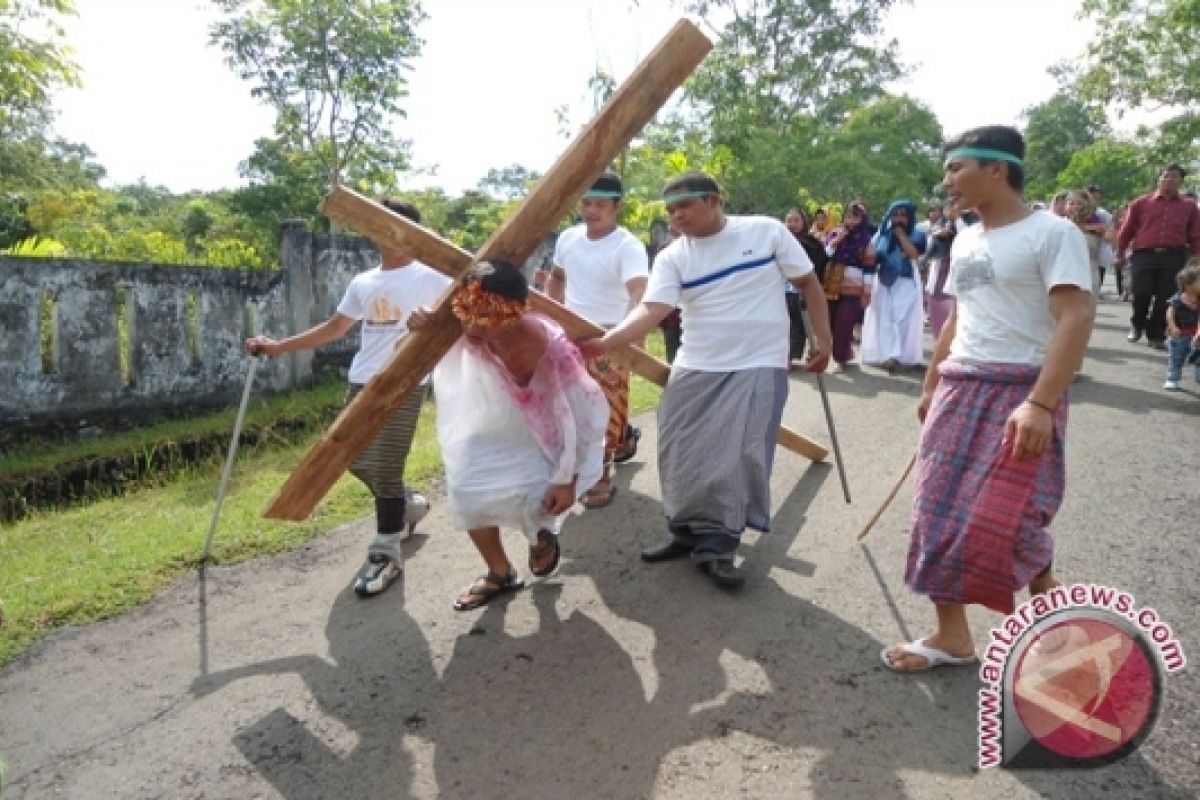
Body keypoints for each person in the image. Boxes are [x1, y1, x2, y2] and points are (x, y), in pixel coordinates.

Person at [883, 126, 1094, 673]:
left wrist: (1042, 404)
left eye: (956, 168)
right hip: (959, 388)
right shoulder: (968, 238)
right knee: (936, 513)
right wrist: (932, 383)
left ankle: (1053, 636)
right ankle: (953, 638)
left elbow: (1075, 316)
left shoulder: (1053, 234)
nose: (946, 180)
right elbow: (957, 317)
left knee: (1014, 522)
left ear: (997, 170)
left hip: (1021, 393)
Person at [579, 172, 832, 589]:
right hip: (696, 362)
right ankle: (685, 531)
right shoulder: (673, 257)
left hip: (759, 360)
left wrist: (823, 341)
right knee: (678, 448)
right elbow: (652, 310)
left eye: (685, 207)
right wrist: (607, 342)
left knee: (738, 454)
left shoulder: (765, 232)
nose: (677, 217)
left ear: (714, 200)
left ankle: (719, 544)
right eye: (671, 211)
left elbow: (808, 284)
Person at [244, 197, 452, 597]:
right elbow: (335, 327)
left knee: (386, 465)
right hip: (362, 380)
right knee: (350, 459)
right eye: (380, 227)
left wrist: (433, 321)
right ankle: (409, 505)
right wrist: (278, 347)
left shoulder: (432, 277)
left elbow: (459, 317)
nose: (387, 237)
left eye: (396, 228)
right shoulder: (364, 282)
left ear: (414, 234)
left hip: (405, 380)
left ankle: (386, 551)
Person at [410, 261, 609, 610]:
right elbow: (407, 361)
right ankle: (499, 572)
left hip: (547, 431)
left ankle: (540, 535)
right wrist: (419, 330)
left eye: (486, 316)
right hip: (489, 422)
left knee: (539, 496)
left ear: (516, 311)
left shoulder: (551, 346)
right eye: (467, 312)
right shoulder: (461, 329)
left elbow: (584, 417)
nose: (472, 324)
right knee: (467, 491)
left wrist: (568, 477)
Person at [547, 172, 650, 508]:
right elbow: (557, 278)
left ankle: (601, 474)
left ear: (617, 206)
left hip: (611, 337)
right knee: (572, 406)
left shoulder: (627, 246)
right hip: (571, 335)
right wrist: (551, 315)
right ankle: (620, 440)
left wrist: (631, 335)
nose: (591, 210)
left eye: (600, 205)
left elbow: (639, 292)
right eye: (586, 203)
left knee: (603, 408)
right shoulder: (568, 239)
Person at [1116, 164, 1200, 349]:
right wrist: (1120, 253)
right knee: (1141, 292)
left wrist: (1196, 256)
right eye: (1165, 176)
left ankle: (1156, 334)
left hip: (1174, 256)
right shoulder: (1140, 203)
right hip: (1144, 254)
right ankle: (1137, 324)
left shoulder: (1189, 206)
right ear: (1159, 179)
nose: (1169, 180)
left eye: (1174, 177)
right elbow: (1126, 230)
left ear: (1181, 181)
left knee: (1165, 298)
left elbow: (1195, 233)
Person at [860, 200, 927, 372]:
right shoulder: (881, 235)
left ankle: (896, 356)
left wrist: (901, 236)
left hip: (905, 279)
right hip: (883, 280)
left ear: (909, 217)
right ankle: (885, 355)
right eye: (895, 214)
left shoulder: (917, 234)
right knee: (884, 318)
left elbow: (914, 254)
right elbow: (871, 255)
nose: (898, 218)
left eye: (903, 215)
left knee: (902, 319)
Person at [823, 202, 876, 371]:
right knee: (830, 322)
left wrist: (867, 292)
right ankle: (845, 351)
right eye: (849, 216)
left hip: (853, 287)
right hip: (831, 285)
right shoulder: (835, 233)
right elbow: (826, 254)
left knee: (844, 324)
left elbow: (869, 267)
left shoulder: (866, 240)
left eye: (856, 217)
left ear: (863, 219)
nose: (851, 220)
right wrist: (837, 240)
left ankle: (840, 358)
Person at [783, 207, 830, 366]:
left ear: (804, 222)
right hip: (781, 290)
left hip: (801, 290)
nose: (792, 224)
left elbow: (819, 265)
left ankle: (791, 357)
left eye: (796, 220)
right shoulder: (779, 242)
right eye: (789, 220)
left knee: (798, 325)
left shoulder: (812, 243)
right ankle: (783, 357)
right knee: (783, 324)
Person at [1162, 263, 1200, 391]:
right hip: (1180, 334)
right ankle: (1172, 378)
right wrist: (1172, 326)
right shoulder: (1178, 298)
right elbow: (1170, 312)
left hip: (1197, 334)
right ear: (1188, 284)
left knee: (1198, 356)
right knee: (1176, 357)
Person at [924, 204, 958, 339]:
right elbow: (931, 244)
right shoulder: (939, 226)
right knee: (938, 312)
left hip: (956, 271)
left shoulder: (970, 222)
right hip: (939, 271)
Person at [1066, 189, 1105, 303]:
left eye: (1080, 203)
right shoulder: (1057, 224)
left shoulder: (1098, 225)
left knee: (1087, 312)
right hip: (1064, 274)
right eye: (1071, 203)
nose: (1075, 207)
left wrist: (1092, 227)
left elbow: (1112, 240)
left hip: (1089, 273)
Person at [1087, 186, 1115, 294]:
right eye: (1090, 198)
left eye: (1096, 199)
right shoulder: (1073, 213)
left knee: (1094, 289)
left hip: (1097, 256)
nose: (1093, 201)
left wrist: (1103, 231)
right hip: (1077, 258)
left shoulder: (1103, 215)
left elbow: (1110, 236)